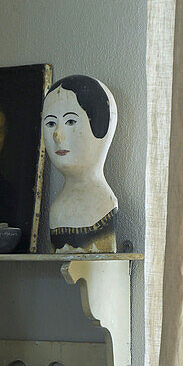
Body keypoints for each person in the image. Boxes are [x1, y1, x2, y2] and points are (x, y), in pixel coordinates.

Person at [41, 75, 118, 252]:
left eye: (70, 122)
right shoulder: (56, 209)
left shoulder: (105, 204)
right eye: (51, 123)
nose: (58, 136)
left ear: (101, 127)